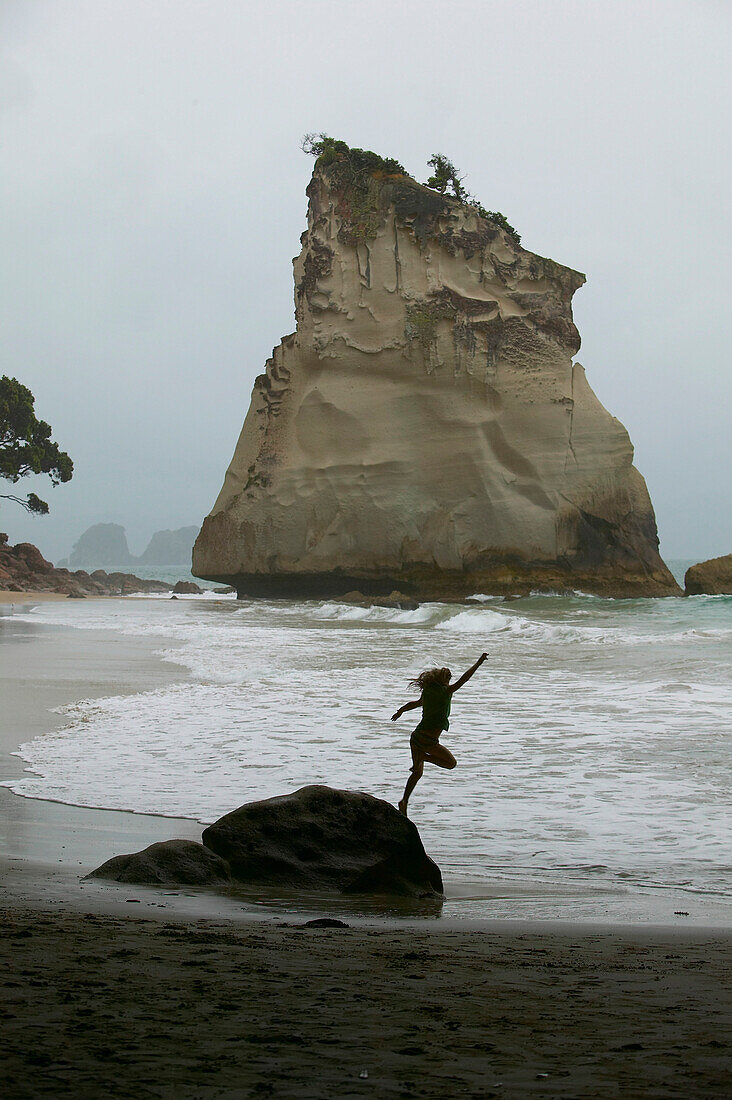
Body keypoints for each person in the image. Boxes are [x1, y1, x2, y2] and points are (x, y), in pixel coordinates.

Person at [392, 653, 488, 816]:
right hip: (428, 741)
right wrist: (478, 663)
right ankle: (425, 758)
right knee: (451, 763)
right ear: (444, 681)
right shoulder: (446, 691)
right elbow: (465, 679)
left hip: (417, 737)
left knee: (417, 773)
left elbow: (413, 704)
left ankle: (404, 801)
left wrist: (400, 711)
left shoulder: (428, 692)